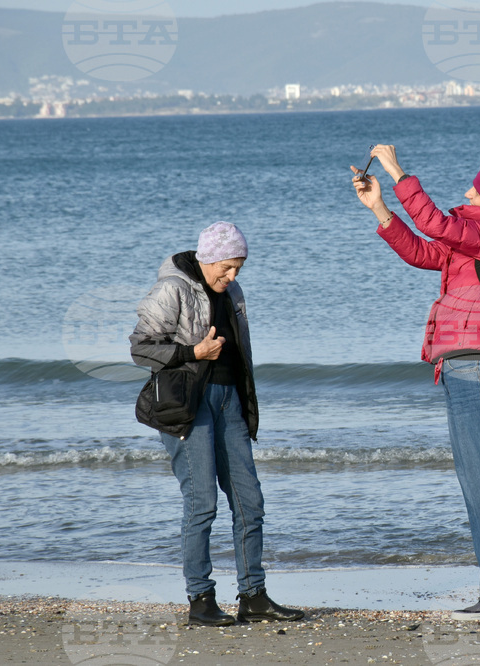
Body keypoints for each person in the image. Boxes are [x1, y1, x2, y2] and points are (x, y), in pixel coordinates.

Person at [351, 146, 480, 624]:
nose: (467, 191)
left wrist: (399, 172)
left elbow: (437, 225)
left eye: (475, 187)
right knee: (479, 484)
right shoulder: (479, 235)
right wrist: (379, 209)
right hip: (460, 362)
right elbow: (424, 251)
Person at [129, 222, 304, 626]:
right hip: (188, 404)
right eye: (226, 267)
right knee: (202, 503)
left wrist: (245, 402)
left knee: (250, 502)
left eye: (239, 268)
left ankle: (253, 595)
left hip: (230, 403)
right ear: (207, 258)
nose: (232, 277)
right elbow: (141, 347)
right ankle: (200, 600)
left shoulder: (233, 293)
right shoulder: (171, 289)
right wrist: (195, 351)